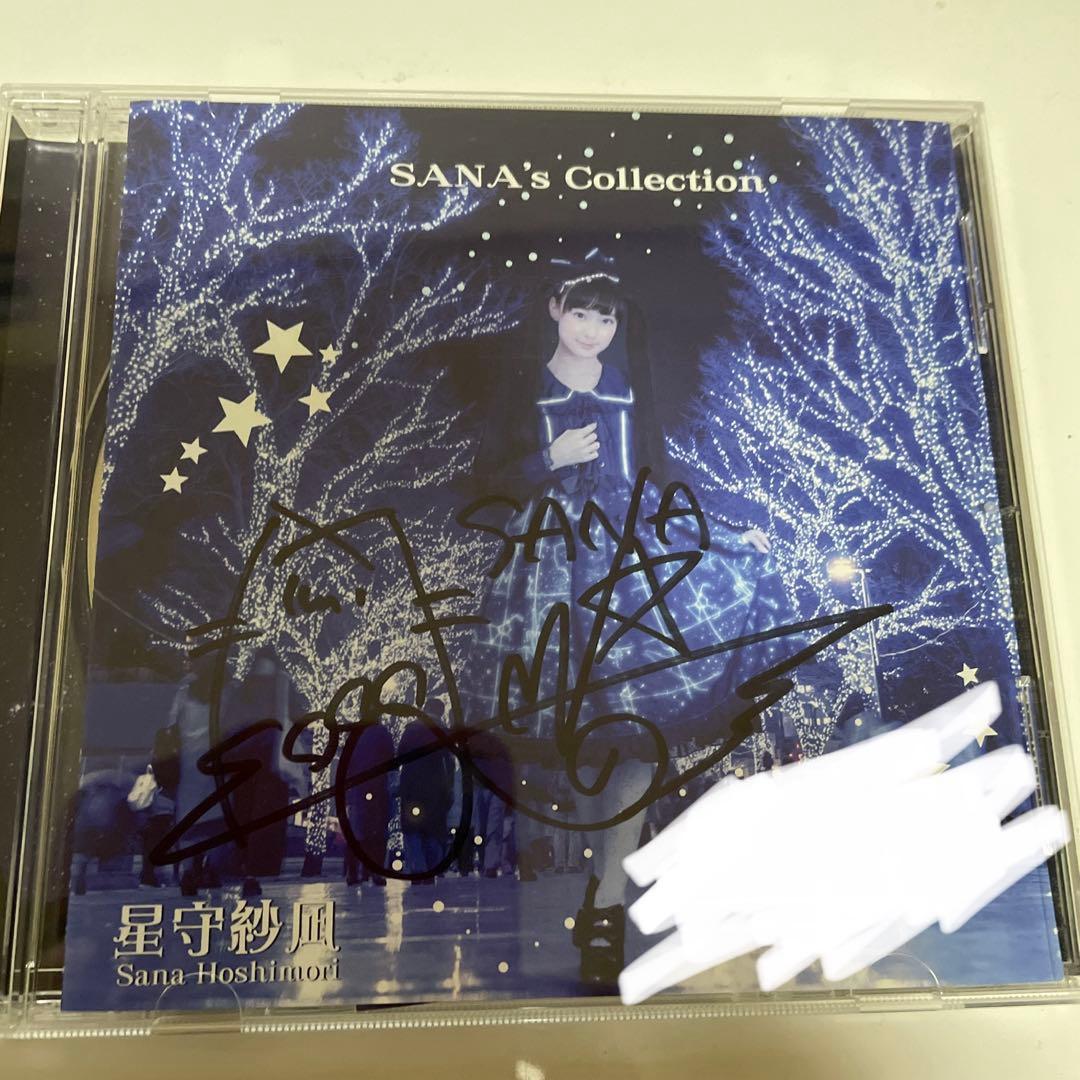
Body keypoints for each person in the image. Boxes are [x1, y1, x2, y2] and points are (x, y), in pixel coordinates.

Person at [459, 249, 797, 990]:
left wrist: (721, 534)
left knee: (638, 725)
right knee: (586, 738)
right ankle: (601, 880)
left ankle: (607, 902)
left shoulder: (629, 386)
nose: (592, 329)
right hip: (549, 569)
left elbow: (659, 474)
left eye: (606, 318)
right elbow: (482, 482)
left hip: (628, 561)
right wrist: (545, 459)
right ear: (555, 308)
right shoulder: (523, 386)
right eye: (581, 312)